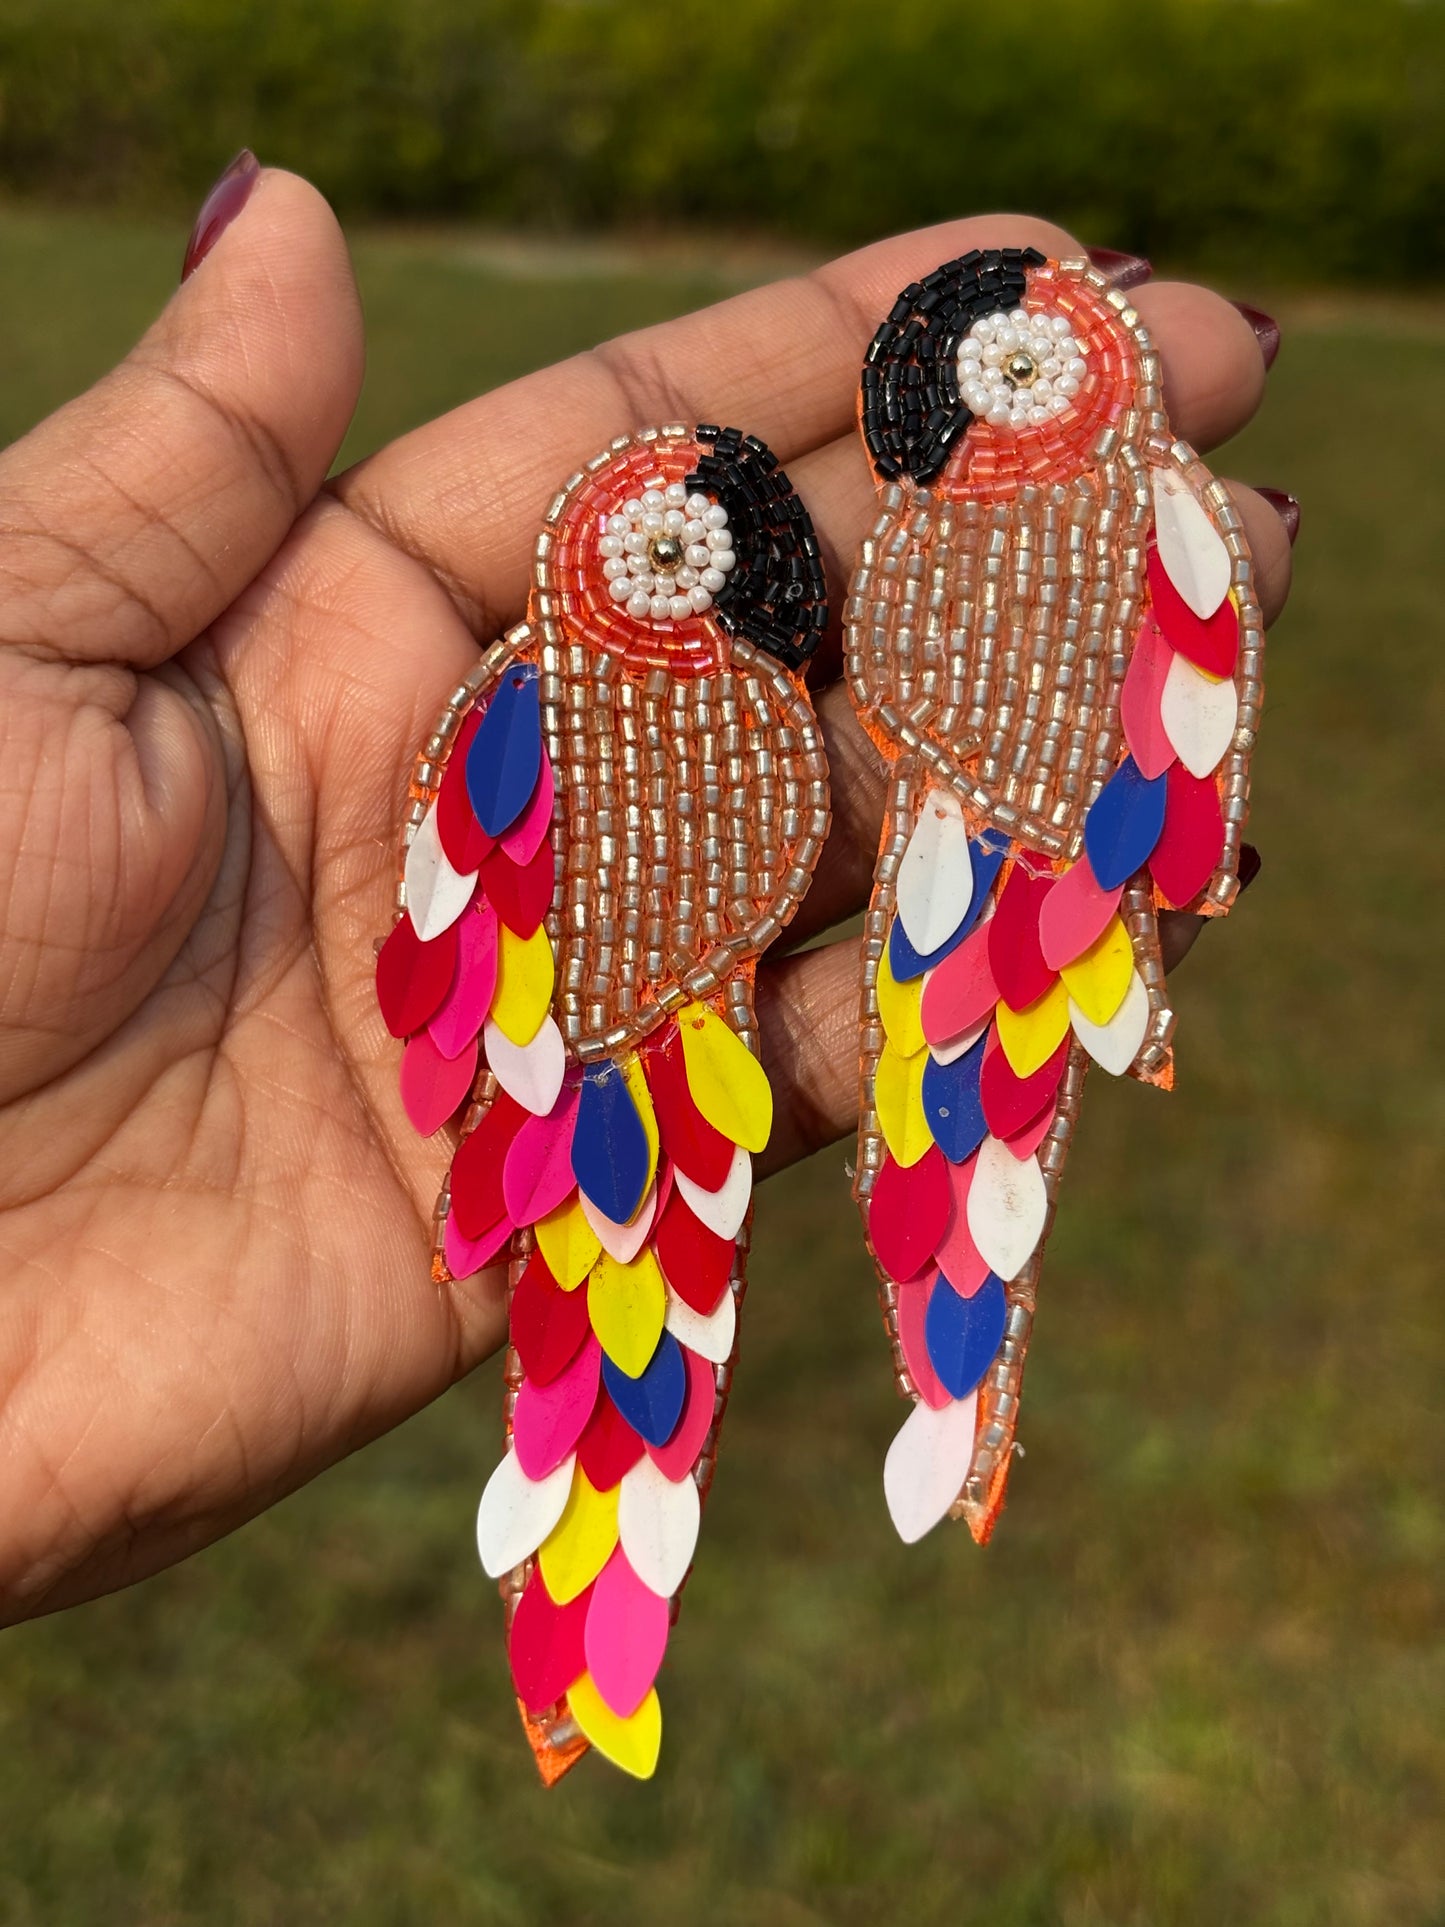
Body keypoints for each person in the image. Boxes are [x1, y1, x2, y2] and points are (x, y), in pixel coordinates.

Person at [0, 154, 1295, 1623]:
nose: (682, 582)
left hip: (894, 911)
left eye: (705, 558)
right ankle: (626, 1552)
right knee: (627, 1286)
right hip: (610, 1043)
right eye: (661, 554)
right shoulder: (530, 701)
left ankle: (949, 1387)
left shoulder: (1088, 532)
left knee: (956, 1103)